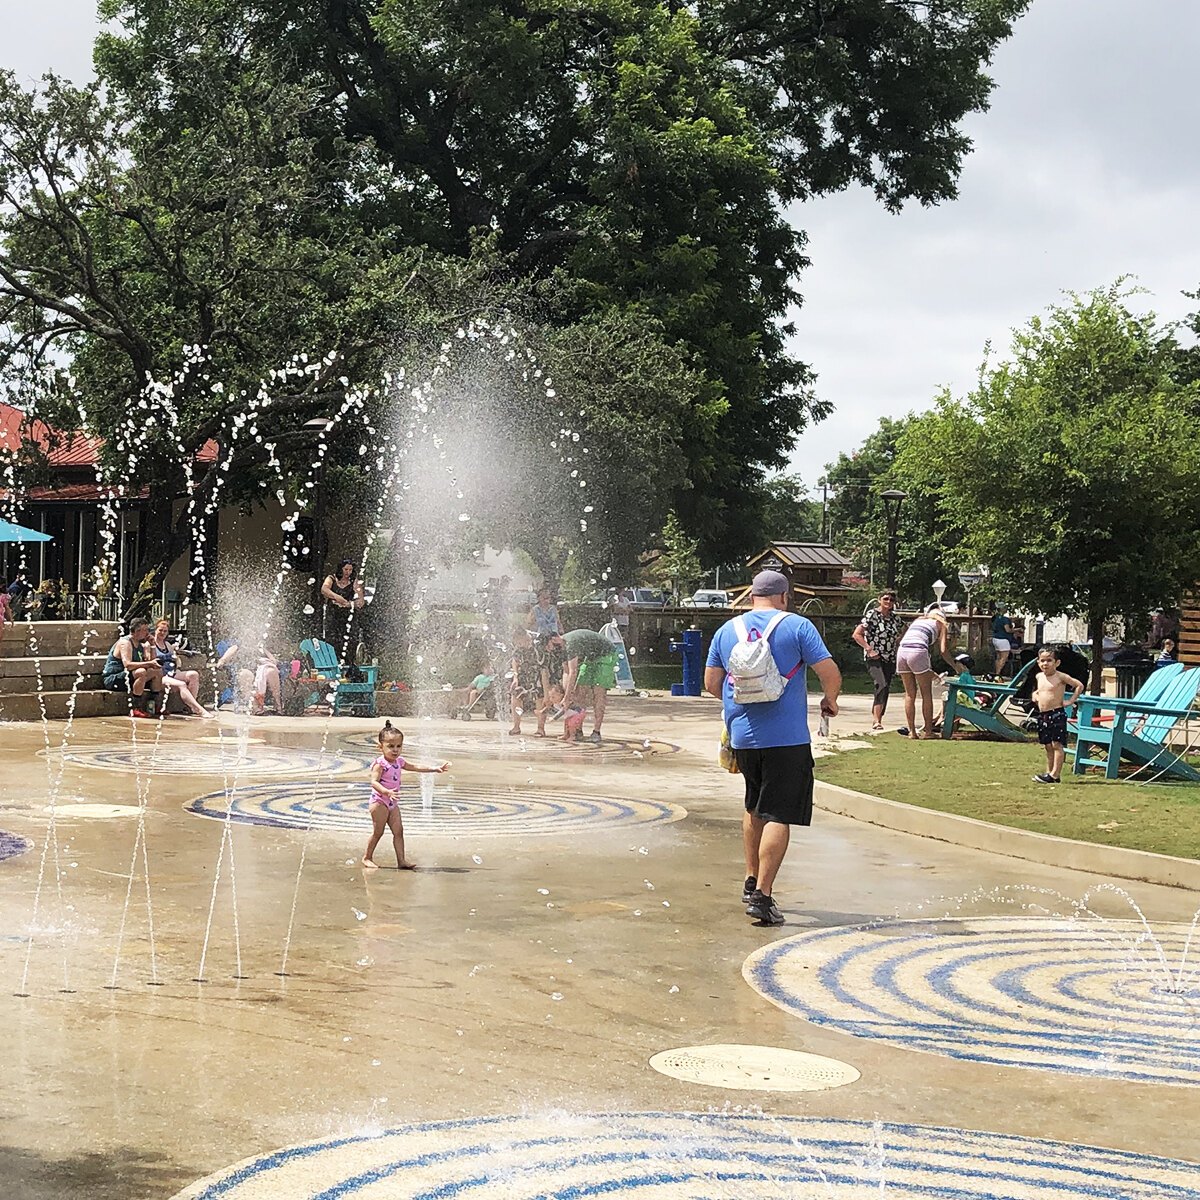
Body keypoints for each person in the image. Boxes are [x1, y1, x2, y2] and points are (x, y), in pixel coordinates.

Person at [703, 569, 841, 927]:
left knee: (754, 805)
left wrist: (740, 704)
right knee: (780, 813)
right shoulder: (797, 626)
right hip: (787, 738)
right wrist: (830, 700)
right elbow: (829, 671)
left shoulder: (725, 631)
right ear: (784, 596)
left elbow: (711, 683)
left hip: (743, 738)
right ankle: (763, 897)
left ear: (752, 597)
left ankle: (750, 880)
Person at [363, 720, 450, 869]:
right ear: (380, 747)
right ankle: (367, 857)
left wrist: (434, 769)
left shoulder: (399, 761)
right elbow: (374, 782)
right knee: (378, 832)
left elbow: (415, 766)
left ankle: (401, 861)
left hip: (392, 803)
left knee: (399, 831)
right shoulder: (380, 764)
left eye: (398, 746)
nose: (395, 750)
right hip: (379, 802)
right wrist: (386, 792)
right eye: (390, 746)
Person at [896, 605, 954, 740]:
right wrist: (953, 665)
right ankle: (928, 731)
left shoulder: (918, 620)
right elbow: (943, 650)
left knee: (910, 693)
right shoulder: (941, 624)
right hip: (918, 650)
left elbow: (902, 639)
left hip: (902, 651)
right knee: (926, 694)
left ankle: (912, 732)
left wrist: (929, 671)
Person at [1030, 646, 1084, 784]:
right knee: (1047, 745)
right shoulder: (1039, 676)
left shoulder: (1060, 677)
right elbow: (1039, 691)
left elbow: (1079, 685)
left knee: (1057, 744)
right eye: (1042, 660)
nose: (1045, 664)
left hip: (1056, 713)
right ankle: (1049, 772)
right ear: (1038, 662)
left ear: (1057, 663)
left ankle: (1055, 774)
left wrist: (1071, 700)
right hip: (1043, 715)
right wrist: (1034, 695)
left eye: (1049, 660)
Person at [852, 589, 903, 730]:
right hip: (874, 657)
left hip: (889, 657)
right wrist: (869, 649)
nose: (888, 602)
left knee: (886, 686)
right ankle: (876, 720)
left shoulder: (895, 618)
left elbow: (903, 631)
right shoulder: (872, 615)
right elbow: (857, 634)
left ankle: (879, 717)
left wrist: (897, 643)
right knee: (881, 684)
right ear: (879, 599)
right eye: (886, 599)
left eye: (891, 600)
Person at [560, 627, 619, 742]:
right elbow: (566, 672)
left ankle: (596, 731)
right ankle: (577, 730)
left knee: (599, 692)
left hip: (605, 655)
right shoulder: (560, 648)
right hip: (590, 657)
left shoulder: (570, 645)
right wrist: (567, 694)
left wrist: (567, 697)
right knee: (580, 691)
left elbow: (573, 672)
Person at [149, 618, 213, 718]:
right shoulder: (150, 645)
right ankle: (199, 709)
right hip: (160, 675)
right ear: (155, 630)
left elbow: (176, 659)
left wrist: (178, 663)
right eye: (160, 630)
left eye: (165, 631)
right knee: (182, 684)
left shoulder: (168, 645)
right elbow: (150, 661)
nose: (162, 633)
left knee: (193, 674)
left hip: (172, 673)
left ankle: (190, 707)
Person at [102, 618, 163, 717]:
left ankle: (154, 705)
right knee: (141, 672)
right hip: (114, 678)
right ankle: (135, 708)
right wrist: (149, 664)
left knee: (157, 672)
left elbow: (152, 661)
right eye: (145, 630)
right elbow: (128, 665)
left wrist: (152, 645)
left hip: (130, 677)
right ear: (137, 631)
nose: (147, 633)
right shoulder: (125, 642)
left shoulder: (139, 644)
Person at [320, 559, 365, 649]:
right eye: (346, 569)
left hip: (347, 615)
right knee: (332, 638)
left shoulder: (353, 581)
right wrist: (336, 597)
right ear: (341, 569)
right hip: (333, 614)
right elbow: (324, 589)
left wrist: (349, 604)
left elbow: (361, 601)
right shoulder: (331, 578)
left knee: (349, 639)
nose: (348, 572)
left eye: (350, 570)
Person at [507, 627, 542, 735]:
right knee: (515, 696)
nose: (517, 644)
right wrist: (515, 677)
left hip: (539, 672)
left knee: (539, 697)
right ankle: (516, 726)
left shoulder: (538, 641)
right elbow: (515, 660)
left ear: (524, 637)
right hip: (523, 672)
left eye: (518, 641)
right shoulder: (518, 646)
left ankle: (540, 728)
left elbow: (544, 661)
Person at [991, 606, 1015, 677]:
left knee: (998, 657)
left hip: (995, 638)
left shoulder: (996, 618)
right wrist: (1017, 629)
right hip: (1003, 639)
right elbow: (1008, 630)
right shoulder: (1005, 619)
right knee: (1004, 658)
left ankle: (996, 672)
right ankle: (998, 674)